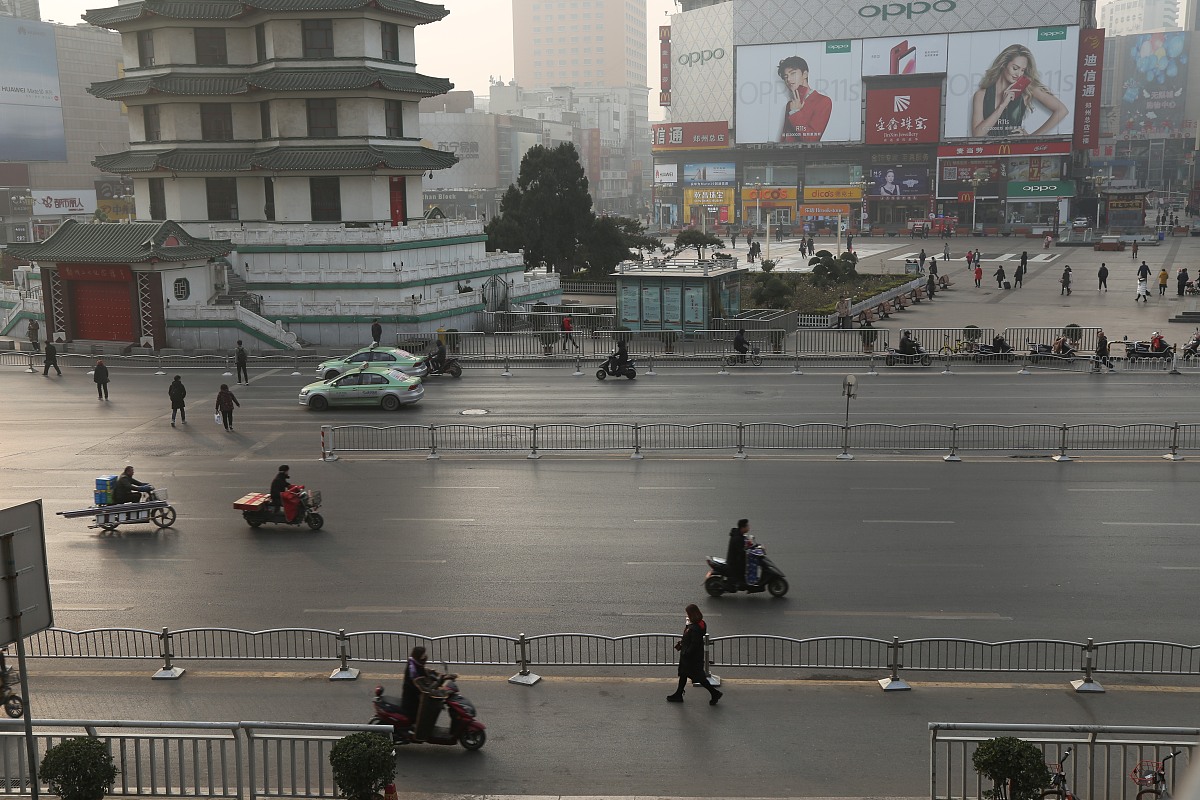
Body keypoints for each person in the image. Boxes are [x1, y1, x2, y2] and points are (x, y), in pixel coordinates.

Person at [971, 44, 1068, 137]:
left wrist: (1032, 137)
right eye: (1015, 68)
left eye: (1022, 70)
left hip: (1017, 147)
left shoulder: (1026, 90)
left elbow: (1062, 110)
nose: (1018, 74)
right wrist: (1003, 105)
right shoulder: (981, 95)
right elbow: (977, 134)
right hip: (991, 148)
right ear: (1003, 65)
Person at [666, 604, 722, 705]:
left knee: (699, 677)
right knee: (683, 674)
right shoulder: (699, 624)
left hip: (691, 658)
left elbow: (694, 644)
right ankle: (679, 694)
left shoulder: (695, 628)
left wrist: (686, 652)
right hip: (691, 657)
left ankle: (714, 693)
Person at [777, 56, 832, 143]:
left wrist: (795, 112)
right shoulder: (790, 104)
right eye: (785, 76)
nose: (789, 79)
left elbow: (812, 139)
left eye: (793, 73)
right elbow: (784, 137)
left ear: (805, 74)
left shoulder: (823, 101)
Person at [725, 519, 750, 588]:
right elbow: (741, 551)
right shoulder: (737, 538)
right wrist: (748, 550)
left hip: (736, 559)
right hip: (735, 562)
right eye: (747, 526)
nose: (748, 527)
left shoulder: (739, 535)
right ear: (742, 528)